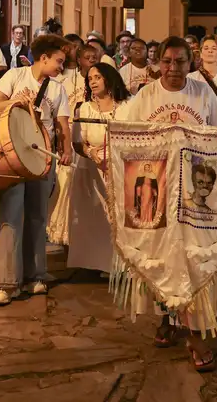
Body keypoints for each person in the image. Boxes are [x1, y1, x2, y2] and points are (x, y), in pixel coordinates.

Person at [122, 36, 217, 372]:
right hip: (156, 191)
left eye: (180, 62)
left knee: (192, 261)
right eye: (167, 61)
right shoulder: (146, 95)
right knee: (159, 257)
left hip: (196, 195)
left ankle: (196, 331)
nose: (172, 68)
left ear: (191, 62)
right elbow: (126, 134)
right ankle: (167, 317)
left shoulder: (202, 94)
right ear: (159, 62)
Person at [0, 33, 73, 305]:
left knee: (37, 217)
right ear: (43, 57)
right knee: (9, 215)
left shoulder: (57, 88)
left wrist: (66, 149)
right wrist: (14, 101)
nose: (61, 67)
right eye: (58, 61)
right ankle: (7, 283)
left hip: (42, 157)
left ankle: (36, 276)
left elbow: (62, 124)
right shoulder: (14, 77)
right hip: (10, 155)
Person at [68, 63, 130, 274]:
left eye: (97, 77)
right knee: (97, 221)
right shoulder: (83, 109)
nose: (92, 82)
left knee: (120, 218)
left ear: (109, 79)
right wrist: (90, 152)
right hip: (92, 172)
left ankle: (121, 263)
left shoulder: (127, 106)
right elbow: (77, 143)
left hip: (120, 170)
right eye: (90, 79)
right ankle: (98, 262)